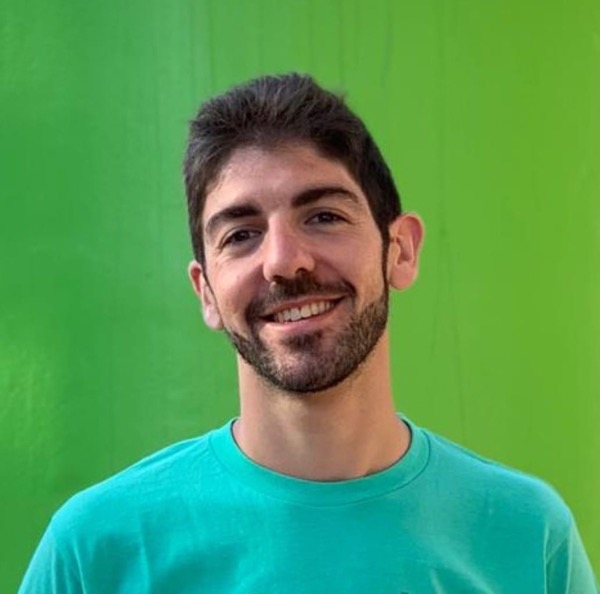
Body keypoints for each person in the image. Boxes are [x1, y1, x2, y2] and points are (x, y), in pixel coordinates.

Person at [19, 73, 598, 593]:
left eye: (323, 216)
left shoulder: (527, 534)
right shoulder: (96, 550)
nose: (283, 261)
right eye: (241, 235)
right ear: (206, 292)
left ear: (400, 250)